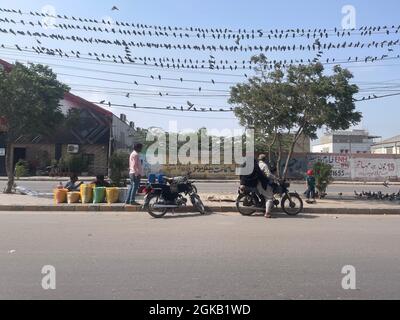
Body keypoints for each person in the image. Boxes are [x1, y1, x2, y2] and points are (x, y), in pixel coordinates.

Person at [257, 154, 278, 219]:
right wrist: (275, 178)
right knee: (270, 198)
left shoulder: (258, 164)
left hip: (258, 183)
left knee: (267, 196)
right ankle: (267, 213)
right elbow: (268, 175)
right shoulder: (264, 165)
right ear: (264, 159)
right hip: (262, 184)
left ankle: (265, 208)